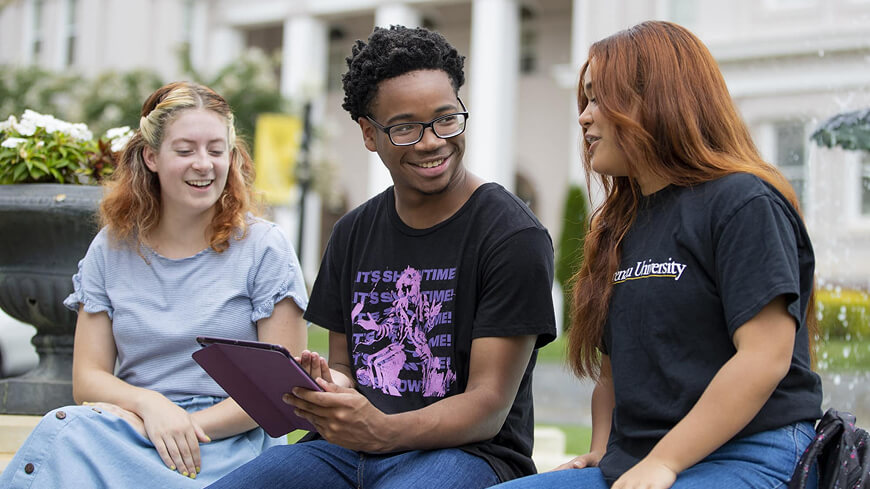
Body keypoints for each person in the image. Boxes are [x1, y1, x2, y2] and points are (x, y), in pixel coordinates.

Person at [208, 25, 557, 489]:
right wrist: (331, 389)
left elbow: (487, 408)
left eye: (446, 118)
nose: (432, 141)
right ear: (370, 134)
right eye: (406, 127)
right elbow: (349, 368)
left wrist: (381, 431)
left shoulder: (511, 235)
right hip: (343, 451)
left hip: (467, 455)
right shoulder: (352, 232)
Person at [490, 20, 823, 489]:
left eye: (601, 98)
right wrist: (604, 450)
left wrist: (665, 461)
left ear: (661, 97)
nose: (585, 115)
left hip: (753, 452)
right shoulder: (617, 224)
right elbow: (613, 370)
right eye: (585, 99)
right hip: (640, 461)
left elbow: (764, 358)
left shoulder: (743, 202)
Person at [0, 81, 309, 488]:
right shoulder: (111, 247)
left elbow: (282, 390)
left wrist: (184, 428)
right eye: (185, 151)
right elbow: (88, 378)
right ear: (151, 156)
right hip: (133, 427)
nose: (204, 164)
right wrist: (150, 406)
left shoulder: (264, 247)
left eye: (217, 150)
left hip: (232, 440)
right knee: (64, 430)